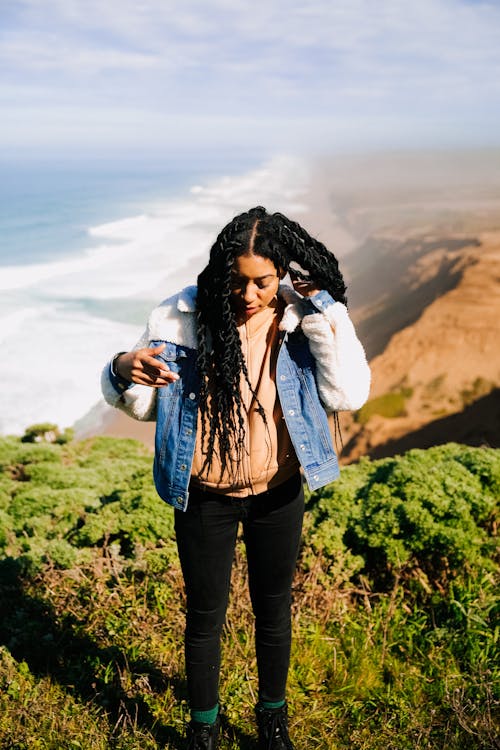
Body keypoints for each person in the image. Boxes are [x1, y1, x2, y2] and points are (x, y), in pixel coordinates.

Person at [101, 206, 370, 750]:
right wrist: (121, 369)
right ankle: (202, 729)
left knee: (273, 610)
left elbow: (347, 395)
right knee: (205, 616)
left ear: (282, 276)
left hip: (277, 491)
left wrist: (322, 310)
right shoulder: (180, 318)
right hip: (204, 495)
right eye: (237, 281)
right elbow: (143, 405)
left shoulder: (300, 319)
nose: (248, 295)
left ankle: (272, 723)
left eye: (262, 282)